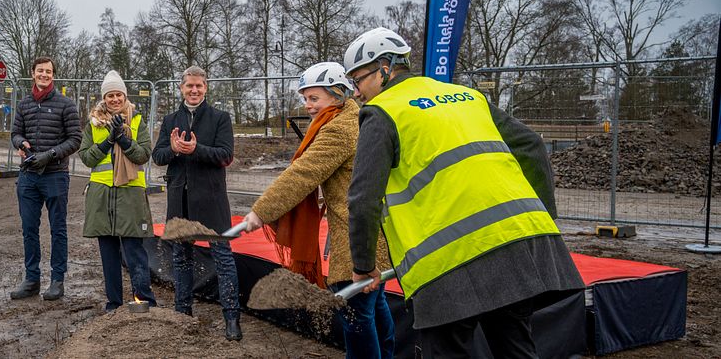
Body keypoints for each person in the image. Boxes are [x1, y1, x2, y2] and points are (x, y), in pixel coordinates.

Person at [344, 27, 585, 358]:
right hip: (518, 249)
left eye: (358, 80)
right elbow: (532, 145)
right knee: (515, 347)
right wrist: (541, 218)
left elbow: (362, 199)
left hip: (448, 269)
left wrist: (363, 264)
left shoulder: (383, 112)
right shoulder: (467, 96)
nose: (356, 92)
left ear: (385, 67)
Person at [243, 62, 395, 359]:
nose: (308, 106)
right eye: (305, 98)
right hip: (376, 233)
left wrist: (260, 212)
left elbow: (303, 174)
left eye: (314, 98)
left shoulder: (338, 128)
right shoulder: (357, 118)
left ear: (337, 94)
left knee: (356, 315)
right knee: (375, 305)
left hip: (354, 237)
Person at [152, 66, 242, 341]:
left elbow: (226, 155)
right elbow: (158, 156)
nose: (194, 90)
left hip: (211, 201)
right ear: (181, 88)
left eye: (199, 86)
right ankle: (183, 312)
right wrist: (174, 150)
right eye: (189, 86)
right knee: (181, 259)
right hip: (180, 201)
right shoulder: (170, 120)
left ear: (206, 88)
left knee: (223, 259)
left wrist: (197, 150)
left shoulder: (220, 118)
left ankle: (231, 318)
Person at [78, 70, 157, 311]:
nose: (114, 99)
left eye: (118, 94)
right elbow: (86, 158)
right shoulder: (93, 125)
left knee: (135, 252)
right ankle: (114, 303)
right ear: (104, 98)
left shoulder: (136, 121)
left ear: (125, 96)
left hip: (130, 195)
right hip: (101, 197)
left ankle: (144, 300)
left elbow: (144, 153)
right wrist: (106, 141)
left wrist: (123, 140)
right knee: (109, 255)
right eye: (110, 95)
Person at [10, 56, 82, 301]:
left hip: (55, 175)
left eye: (48, 71)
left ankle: (57, 280)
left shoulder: (65, 104)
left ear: (53, 75)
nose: (44, 74)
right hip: (28, 176)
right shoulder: (24, 104)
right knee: (29, 229)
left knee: (57, 229)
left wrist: (51, 154)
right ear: (33, 73)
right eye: (40, 70)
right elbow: (15, 132)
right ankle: (31, 279)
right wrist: (20, 143)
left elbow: (75, 139)